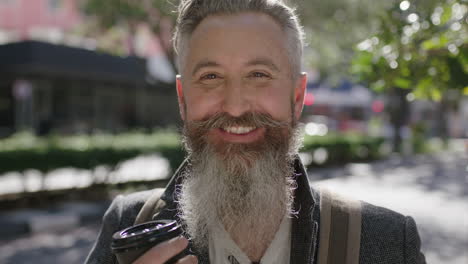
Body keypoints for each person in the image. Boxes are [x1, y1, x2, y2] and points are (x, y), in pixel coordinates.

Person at [86, 0, 426, 263]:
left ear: (296, 97)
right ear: (182, 99)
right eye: (211, 77)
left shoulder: (387, 240)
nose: (235, 107)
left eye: (259, 75)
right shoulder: (128, 227)